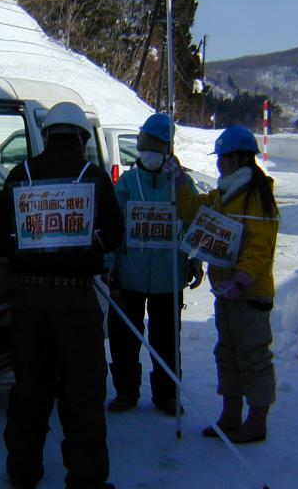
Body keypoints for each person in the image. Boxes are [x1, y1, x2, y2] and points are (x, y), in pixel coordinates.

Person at [2, 102, 123, 489]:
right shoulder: (93, 177)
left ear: (48, 135)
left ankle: (22, 471)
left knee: (29, 388)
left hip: (29, 300)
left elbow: (4, 235)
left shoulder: (19, 175)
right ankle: (86, 479)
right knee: (82, 391)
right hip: (75, 300)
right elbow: (114, 235)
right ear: (81, 137)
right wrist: (85, 245)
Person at [171, 125, 279, 444]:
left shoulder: (256, 197)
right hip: (226, 292)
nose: (219, 164)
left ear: (239, 159)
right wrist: (180, 182)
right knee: (227, 354)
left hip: (249, 295)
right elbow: (194, 212)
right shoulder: (224, 194)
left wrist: (243, 277)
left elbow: (260, 245)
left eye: (223, 158)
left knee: (254, 357)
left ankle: (256, 421)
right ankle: (230, 415)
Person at [106, 113, 203, 416]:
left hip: (168, 276)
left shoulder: (181, 184)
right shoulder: (127, 183)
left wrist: (196, 260)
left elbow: (195, 222)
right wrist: (110, 265)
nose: (149, 151)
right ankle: (126, 390)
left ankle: (167, 394)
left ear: (168, 149)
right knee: (124, 337)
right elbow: (113, 227)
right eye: (145, 145)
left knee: (166, 340)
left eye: (157, 146)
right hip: (129, 275)